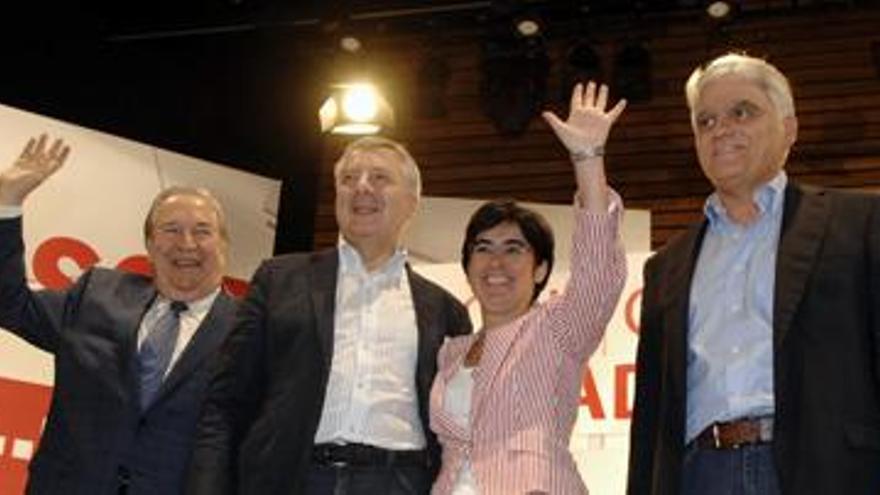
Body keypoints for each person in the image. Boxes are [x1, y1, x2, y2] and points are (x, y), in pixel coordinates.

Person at [627, 52, 880, 495]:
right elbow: (651, 418)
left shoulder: (860, 225)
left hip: (828, 471)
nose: (721, 130)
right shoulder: (666, 267)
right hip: (699, 474)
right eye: (705, 121)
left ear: (789, 128)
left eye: (741, 112)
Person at [186, 136, 472, 495]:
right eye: (349, 179)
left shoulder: (446, 311)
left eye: (380, 177)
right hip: (292, 479)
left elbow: (459, 429)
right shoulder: (279, 281)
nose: (361, 187)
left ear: (412, 203)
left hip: (399, 482)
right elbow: (225, 404)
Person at [0, 134, 238, 494]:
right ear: (150, 244)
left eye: (202, 231)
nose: (186, 243)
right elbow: (9, 302)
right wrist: (7, 203)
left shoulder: (250, 332)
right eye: (171, 229)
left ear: (223, 244)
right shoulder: (96, 295)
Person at [428, 81, 627, 495]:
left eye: (514, 249)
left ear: (541, 270)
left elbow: (596, 271)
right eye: (483, 248)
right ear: (468, 266)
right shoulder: (451, 353)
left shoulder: (557, 328)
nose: (496, 262)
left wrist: (587, 159)